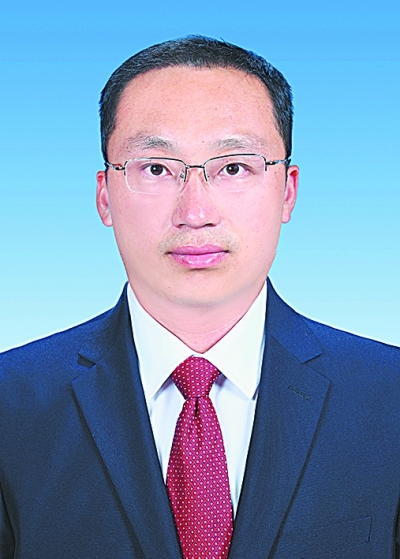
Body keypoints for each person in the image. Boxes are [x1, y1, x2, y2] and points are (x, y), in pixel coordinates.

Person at [0, 35, 399, 559]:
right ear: (104, 196)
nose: (195, 213)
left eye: (233, 167)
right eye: (156, 168)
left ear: (287, 191)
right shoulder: (11, 403)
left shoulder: (389, 397)